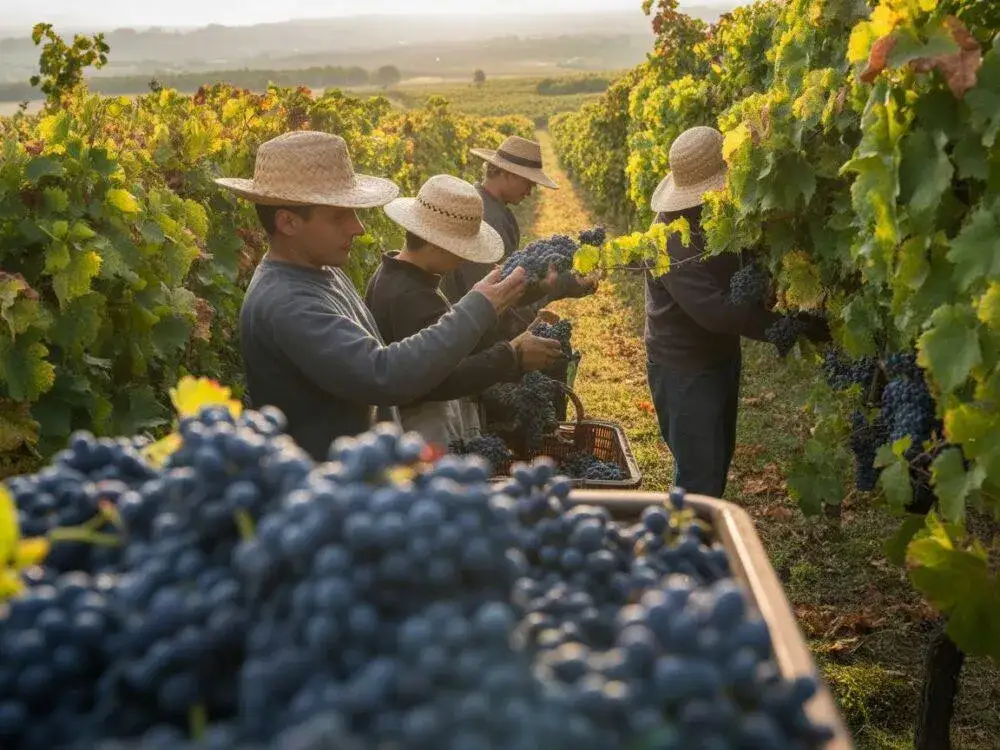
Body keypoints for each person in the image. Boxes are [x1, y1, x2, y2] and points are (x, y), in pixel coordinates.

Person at [216, 131, 527, 461]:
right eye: (340, 216)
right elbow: (383, 374)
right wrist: (478, 308)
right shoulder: (287, 302)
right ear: (288, 222)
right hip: (327, 495)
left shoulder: (323, 271)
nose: (358, 228)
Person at [644, 125, 829, 498]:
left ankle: (696, 543)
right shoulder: (666, 240)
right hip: (683, 367)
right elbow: (716, 312)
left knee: (717, 458)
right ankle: (685, 551)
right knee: (699, 476)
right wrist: (789, 326)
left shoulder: (719, 218)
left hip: (720, 356)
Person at [364, 174, 565, 446]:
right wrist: (512, 355)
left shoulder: (396, 275)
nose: (465, 258)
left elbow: (449, 345)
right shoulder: (410, 296)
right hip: (422, 435)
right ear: (434, 242)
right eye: (461, 249)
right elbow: (439, 380)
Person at [439, 135, 558, 302]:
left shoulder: (478, 202)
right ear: (508, 174)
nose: (530, 192)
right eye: (528, 183)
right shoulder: (488, 219)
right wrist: (553, 288)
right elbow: (495, 297)